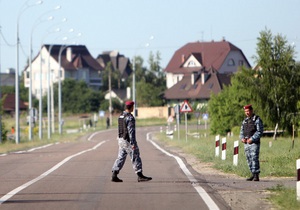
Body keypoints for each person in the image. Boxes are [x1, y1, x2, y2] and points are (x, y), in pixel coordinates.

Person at [111, 100, 152, 182]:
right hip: (128, 140)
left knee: (121, 157)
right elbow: (131, 131)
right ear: (131, 107)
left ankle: (114, 174)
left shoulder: (121, 116)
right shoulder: (129, 117)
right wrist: (133, 143)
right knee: (135, 156)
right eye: (133, 106)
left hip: (121, 139)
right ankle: (140, 175)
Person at [239, 104, 264, 181]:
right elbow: (241, 131)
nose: (247, 113)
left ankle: (256, 175)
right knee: (248, 158)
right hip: (246, 143)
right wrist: (242, 138)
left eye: (248, 111)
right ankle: (253, 174)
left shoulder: (257, 119)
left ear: (251, 111)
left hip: (254, 143)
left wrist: (252, 139)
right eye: (245, 111)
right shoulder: (245, 121)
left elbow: (260, 131)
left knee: (254, 158)